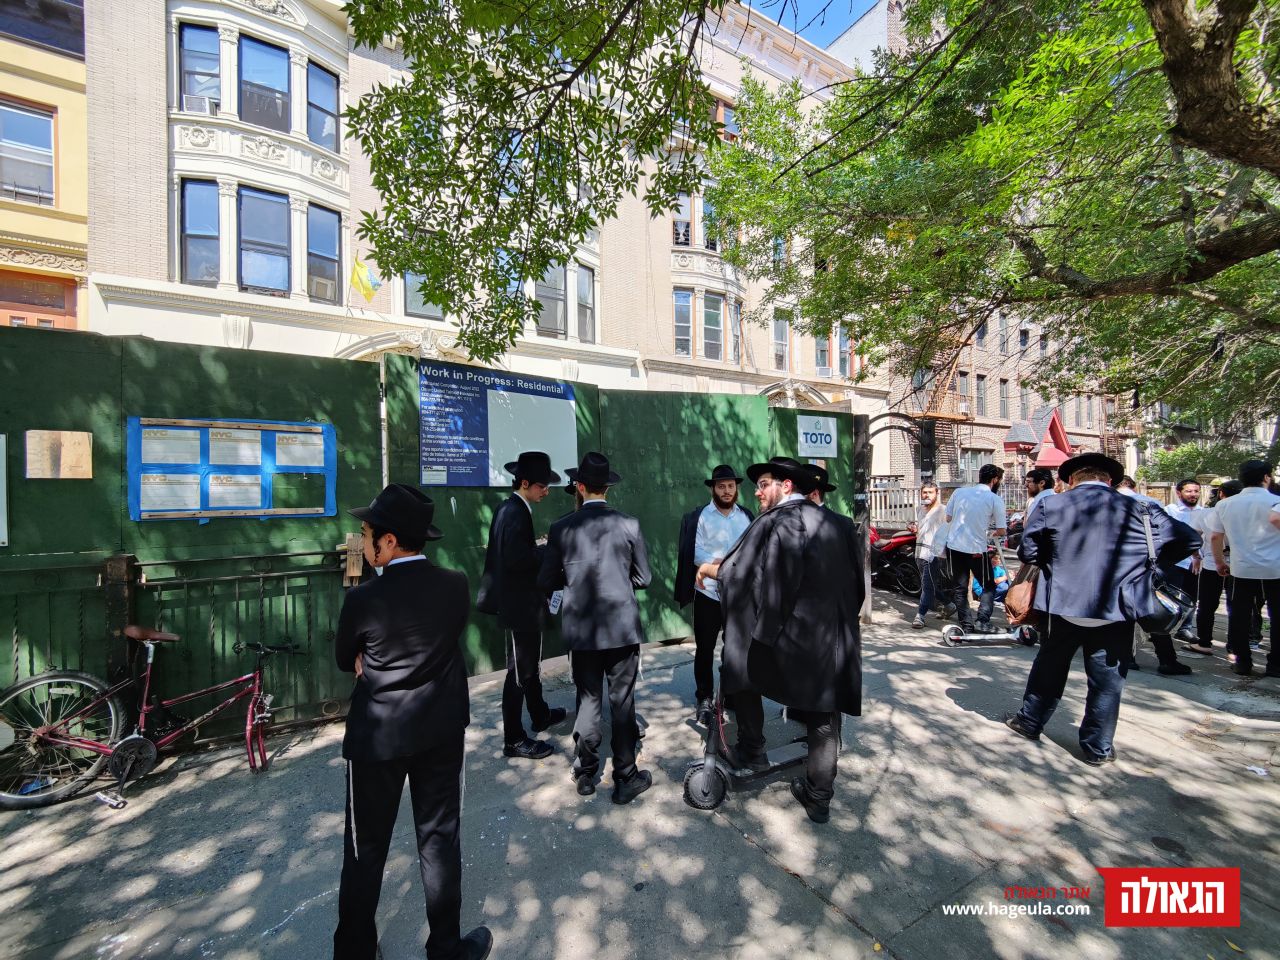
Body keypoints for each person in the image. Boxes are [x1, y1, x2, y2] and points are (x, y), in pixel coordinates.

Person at [333, 484, 492, 960]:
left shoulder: (364, 599)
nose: (363, 542)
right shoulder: (455, 584)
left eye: (367, 534)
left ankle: (355, 952)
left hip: (377, 738)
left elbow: (344, 658)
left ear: (388, 542)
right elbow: (443, 639)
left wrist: (367, 658)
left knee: (365, 851)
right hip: (440, 732)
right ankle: (446, 947)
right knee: (439, 840)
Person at [697, 456, 863, 824]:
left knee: (740, 669)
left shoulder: (773, 522)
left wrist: (709, 569)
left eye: (763, 485)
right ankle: (819, 798)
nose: (756, 493)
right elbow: (857, 588)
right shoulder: (839, 523)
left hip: (783, 637)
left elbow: (738, 575)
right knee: (823, 715)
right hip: (831, 639)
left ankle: (752, 749)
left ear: (785, 486)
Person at [1005, 455, 1199, 765]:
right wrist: (1149, 566)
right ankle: (1097, 748)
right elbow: (1189, 540)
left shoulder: (1052, 505)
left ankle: (1029, 722)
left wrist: (1059, 561)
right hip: (1118, 606)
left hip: (1062, 604)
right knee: (1107, 681)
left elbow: (1028, 551)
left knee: (1049, 667)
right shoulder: (1143, 508)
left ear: (1072, 480)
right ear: (1110, 481)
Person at [538, 452, 654, 802]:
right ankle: (625, 776)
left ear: (580, 486)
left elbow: (546, 580)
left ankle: (586, 773)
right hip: (621, 627)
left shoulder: (561, 528)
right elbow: (644, 578)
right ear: (608, 488)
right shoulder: (629, 525)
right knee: (622, 701)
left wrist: (571, 580)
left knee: (588, 700)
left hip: (583, 630)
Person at [476, 451, 568, 761]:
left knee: (529, 667)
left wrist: (535, 548)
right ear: (525, 483)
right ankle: (513, 739)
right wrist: (544, 549)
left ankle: (540, 715)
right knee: (519, 673)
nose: (546, 491)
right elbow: (517, 559)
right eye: (542, 486)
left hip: (522, 604)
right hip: (520, 606)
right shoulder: (515, 511)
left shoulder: (511, 508)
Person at [674, 464, 753, 727]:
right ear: (713, 489)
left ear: (736, 488)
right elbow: (693, 552)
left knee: (735, 648)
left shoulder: (746, 516)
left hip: (738, 596)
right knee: (705, 649)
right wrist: (718, 562)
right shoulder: (699, 517)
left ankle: (730, 693)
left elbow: (752, 550)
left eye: (731, 486)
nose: (727, 491)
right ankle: (705, 698)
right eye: (721, 486)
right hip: (708, 592)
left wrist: (728, 563)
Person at [1208, 459, 1280, 677]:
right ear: (1266, 477)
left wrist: (1219, 562)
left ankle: (1243, 662)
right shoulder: (1276, 502)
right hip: (1275, 569)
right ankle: (1276, 665)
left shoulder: (1224, 504)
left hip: (1241, 568)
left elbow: (1215, 537)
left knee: (1239, 616)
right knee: (1277, 617)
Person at [1116, 477, 1194, 674]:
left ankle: (1127, 657)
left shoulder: (1109, 505)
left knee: (1123, 615)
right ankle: (1167, 660)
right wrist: (1162, 562)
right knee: (1154, 611)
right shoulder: (1149, 504)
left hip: (1118, 568)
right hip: (1148, 568)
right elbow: (1190, 538)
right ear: (1134, 487)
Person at [945, 464, 1008, 634]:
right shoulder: (994, 499)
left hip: (954, 546)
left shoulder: (959, 492)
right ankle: (982, 620)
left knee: (960, 588)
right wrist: (990, 532)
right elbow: (1002, 530)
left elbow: (948, 517)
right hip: (976, 549)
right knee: (989, 585)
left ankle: (966, 625)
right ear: (994, 480)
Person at [909, 481, 952, 628]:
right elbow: (920, 527)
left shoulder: (943, 510)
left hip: (933, 553)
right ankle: (948, 604)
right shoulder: (919, 509)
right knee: (928, 584)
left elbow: (949, 530)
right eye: (924, 492)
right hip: (919, 551)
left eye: (930, 492)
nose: (927, 495)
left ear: (937, 493)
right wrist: (914, 528)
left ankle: (920, 616)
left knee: (927, 586)